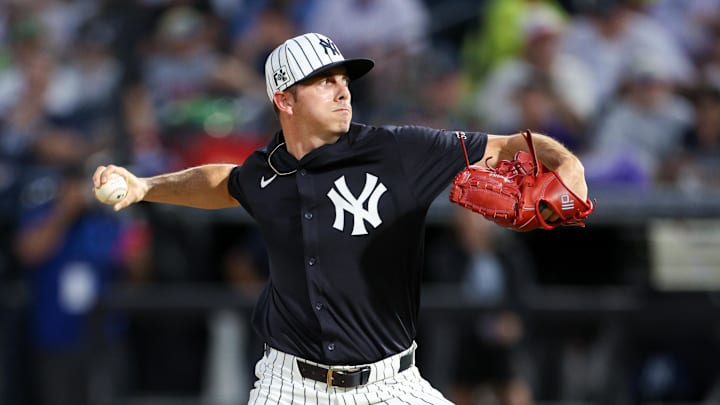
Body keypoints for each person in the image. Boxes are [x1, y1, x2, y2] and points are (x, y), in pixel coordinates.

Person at [93, 32, 589, 404]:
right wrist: (145, 187)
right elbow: (221, 182)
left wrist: (567, 163)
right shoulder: (266, 173)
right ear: (284, 100)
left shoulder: (399, 150)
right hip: (289, 386)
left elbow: (508, 145)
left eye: (344, 80)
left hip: (392, 383)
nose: (342, 91)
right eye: (324, 82)